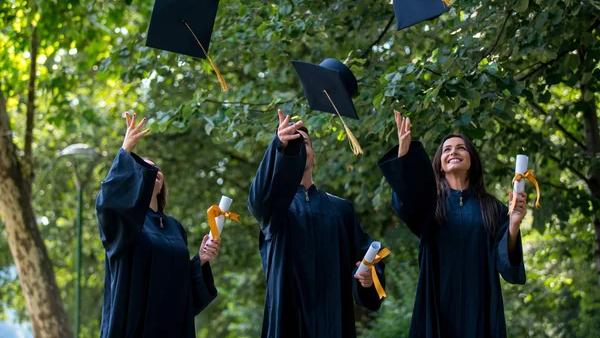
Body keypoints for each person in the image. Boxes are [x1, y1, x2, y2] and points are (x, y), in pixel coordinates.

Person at [377, 111, 527, 338]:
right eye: (447, 150)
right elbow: (407, 202)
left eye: (460, 148)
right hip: (438, 303)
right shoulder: (430, 205)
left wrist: (514, 224)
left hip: (480, 306)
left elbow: (507, 266)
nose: (453, 152)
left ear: (472, 161)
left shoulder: (492, 208)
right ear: (439, 165)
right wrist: (404, 153)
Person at [247, 109, 385, 338]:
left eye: (305, 143)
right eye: (292, 142)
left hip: (333, 320)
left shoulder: (341, 209)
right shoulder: (275, 207)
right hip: (287, 319)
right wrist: (278, 145)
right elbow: (256, 200)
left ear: (314, 155)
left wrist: (369, 278)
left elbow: (368, 259)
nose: (299, 147)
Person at [96, 113, 220, 338]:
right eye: (144, 167)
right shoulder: (128, 222)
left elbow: (183, 290)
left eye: (155, 168)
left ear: (161, 182)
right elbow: (108, 206)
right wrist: (126, 150)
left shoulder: (174, 228)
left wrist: (200, 260)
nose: (152, 170)